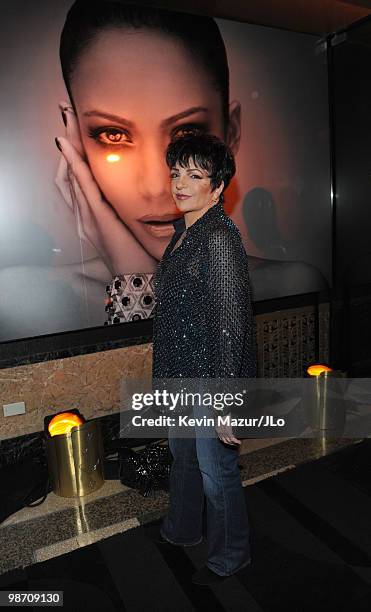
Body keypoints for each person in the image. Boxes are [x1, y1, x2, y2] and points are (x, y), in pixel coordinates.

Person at [0, 0, 327, 341]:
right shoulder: (22, 303)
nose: (159, 187)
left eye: (188, 135)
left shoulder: (289, 290)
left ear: (230, 134)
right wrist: (136, 280)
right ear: (76, 145)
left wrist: (136, 281)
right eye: (114, 135)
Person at [151, 132, 256, 585]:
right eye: (176, 172)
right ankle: (183, 529)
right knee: (185, 461)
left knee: (217, 472)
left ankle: (231, 556)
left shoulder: (217, 239)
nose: (180, 183)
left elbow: (231, 323)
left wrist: (227, 401)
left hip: (210, 381)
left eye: (194, 175)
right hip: (180, 374)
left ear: (217, 188)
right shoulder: (184, 233)